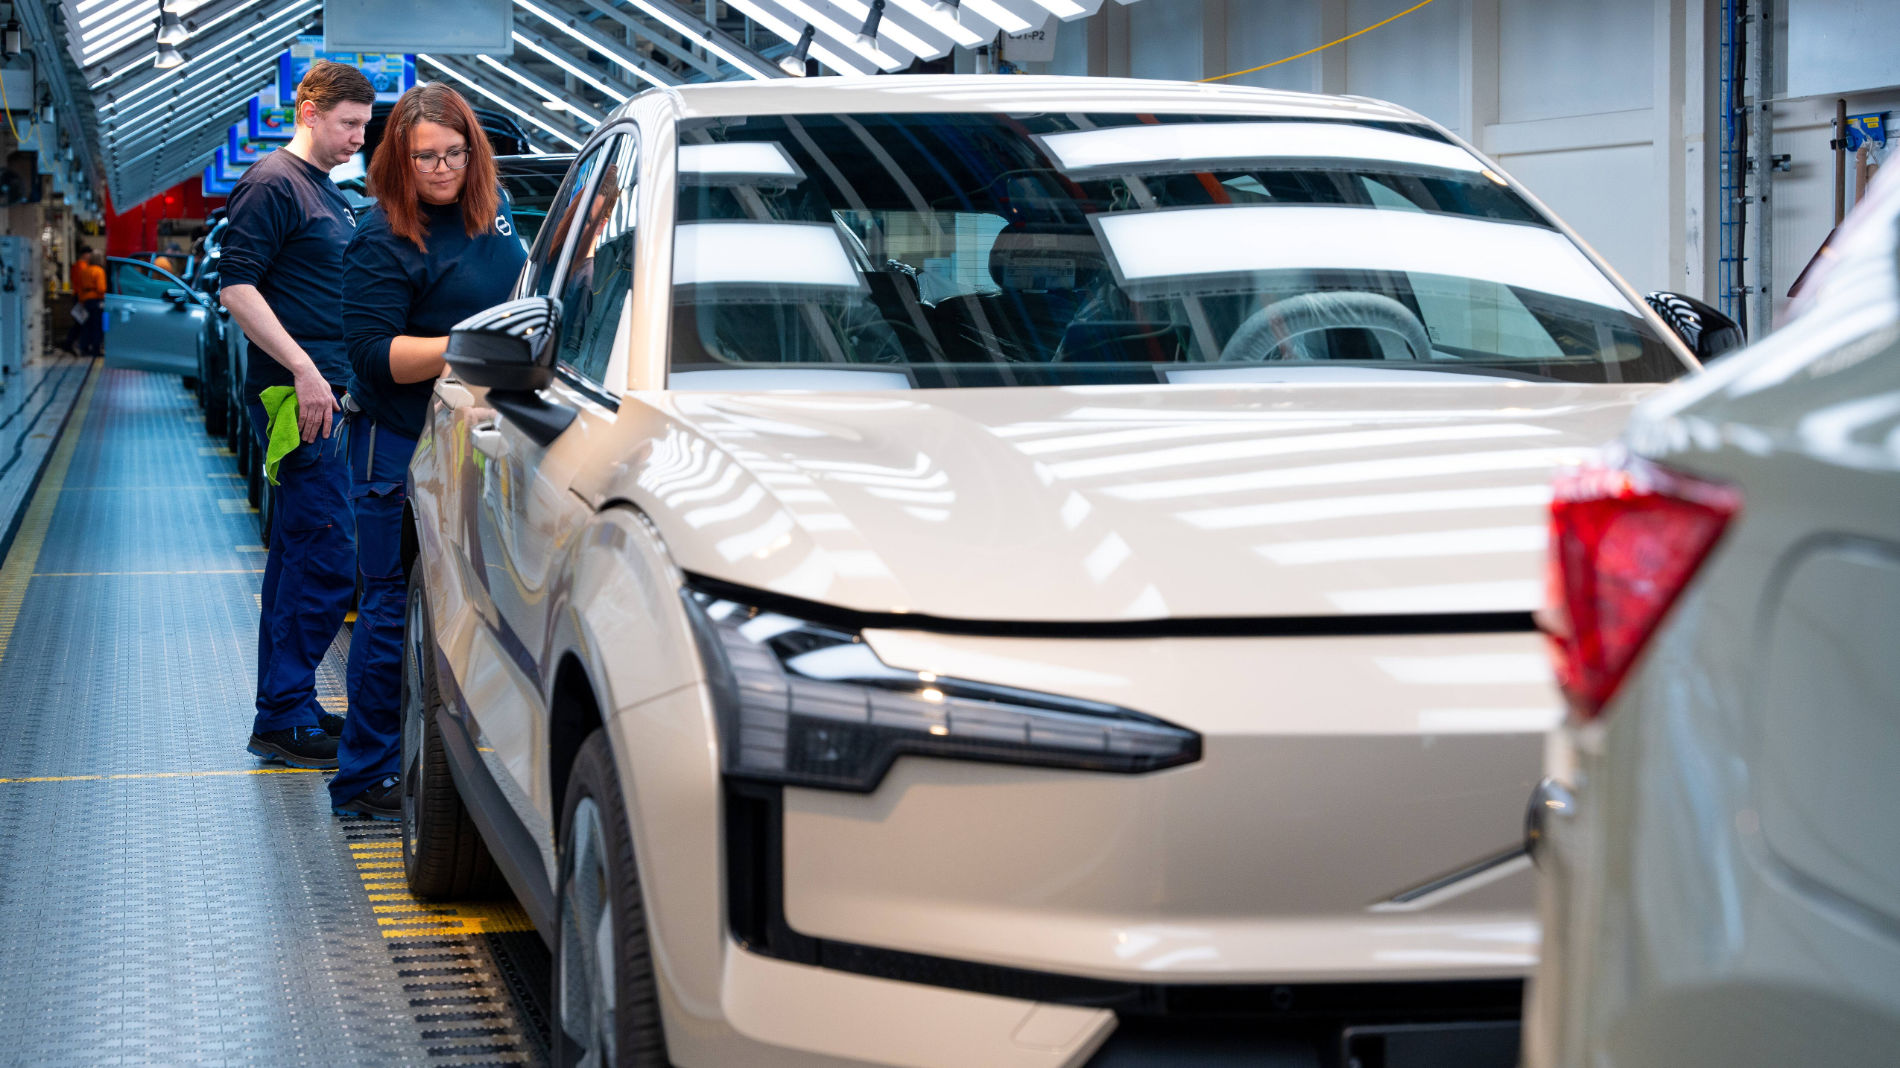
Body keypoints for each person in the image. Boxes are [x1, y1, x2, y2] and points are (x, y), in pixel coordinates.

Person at [333, 83, 524, 819]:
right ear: (397, 161)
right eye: (424, 158)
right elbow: (373, 356)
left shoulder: (493, 217)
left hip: (476, 438)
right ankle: (365, 775)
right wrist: (468, 348)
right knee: (390, 606)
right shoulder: (381, 237)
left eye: (454, 153)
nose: (441, 170)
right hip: (398, 441)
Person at [218, 60, 375, 771]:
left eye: (364, 127)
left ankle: (288, 708)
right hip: (298, 399)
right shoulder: (271, 184)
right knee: (327, 555)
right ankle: (283, 712)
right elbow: (238, 289)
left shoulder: (326, 191)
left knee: (297, 557)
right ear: (309, 112)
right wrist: (307, 370)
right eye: (349, 124)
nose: (357, 139)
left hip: (330, 396)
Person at [73, 251, 107, 358]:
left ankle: (84, 347)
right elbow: (101, 288)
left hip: (85, 300)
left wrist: (82, 300)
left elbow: (80, 287)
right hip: (96, 300)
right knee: (97, 326)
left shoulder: (84, 271)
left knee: (86, 325)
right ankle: (96, 349)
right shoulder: (99, 271)